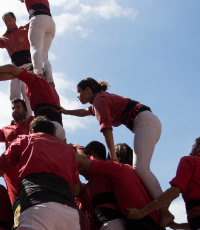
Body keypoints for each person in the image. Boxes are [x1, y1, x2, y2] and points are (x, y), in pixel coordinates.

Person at [60, 78, 168, 219]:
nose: (77, 95)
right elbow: (84, 112)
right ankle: (162, 210)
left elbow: (106, 129)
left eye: (79, 92)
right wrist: (65, 112)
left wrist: (113, 156)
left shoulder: (99, 100)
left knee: (141, 168)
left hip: (144, 121)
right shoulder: (98, 101)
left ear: (88, 90)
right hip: (146, 122)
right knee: (141, 168)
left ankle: (164, 211)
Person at [0, 116, 82, 230]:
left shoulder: (24, 140)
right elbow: (76, 189)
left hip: (37, 209)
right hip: (70, 214)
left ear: (32, 132)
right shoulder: (69, 151)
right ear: (53, 133)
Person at [127, 135, 200, 229]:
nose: (191, 149)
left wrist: (142, 212)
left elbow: (174, 192)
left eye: (193, 145)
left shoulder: (190, 160)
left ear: (199, 147)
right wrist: (177, 226)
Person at [74, 144, 162, 230]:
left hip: (118, 223)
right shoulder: (141, 177)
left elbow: (81, 161)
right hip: (152, 223)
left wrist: (77, 148)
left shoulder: (115, 169)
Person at [0, 0, 56, 85]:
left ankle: (38, 73)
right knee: (44, 54)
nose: (22, 1)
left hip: (38, 18)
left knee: (34, 47)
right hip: (50, 22)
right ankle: (50, 80)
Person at [0, 64, 65, 141]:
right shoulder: (52, 89)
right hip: (59, 129)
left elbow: (11, 68)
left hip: (48, 127)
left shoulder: (34, 81)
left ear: (31, 72)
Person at [0, 12, 33, 115]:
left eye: (9, 20)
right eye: (5, 21)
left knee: (25, 91)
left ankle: (29, 117)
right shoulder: (4, 37)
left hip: (27, 65)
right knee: (13, 96)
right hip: (14, 68)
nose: (8, 23)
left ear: (14, 19)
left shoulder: (24, 30)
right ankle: (19, 118)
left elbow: (36, 20)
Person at [79, 141, 126, 230]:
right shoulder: (95, 176)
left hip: (112, 223)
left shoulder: (99, 168)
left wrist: (78, 148)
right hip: (111, 222)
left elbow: (79, 161)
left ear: (92, 155)